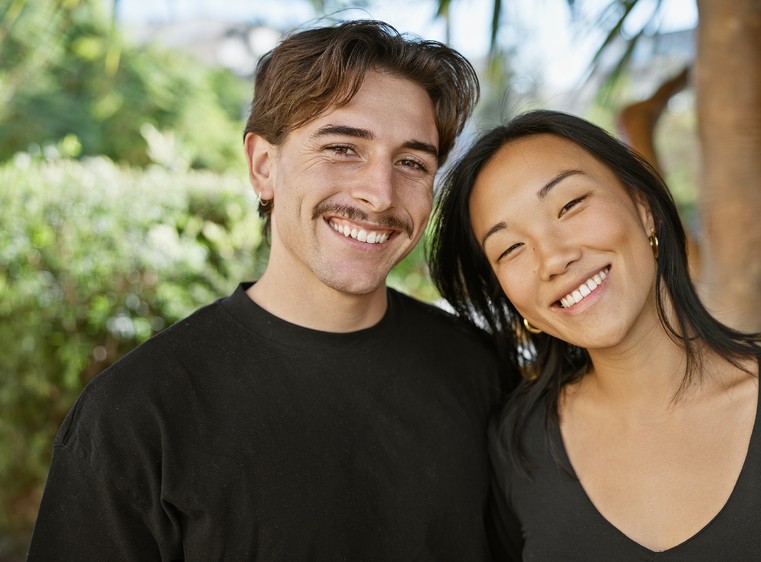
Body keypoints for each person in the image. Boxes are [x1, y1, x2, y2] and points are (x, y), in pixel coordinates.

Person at [28, 20, 514, 560]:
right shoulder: (136, 416)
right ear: (264, 166)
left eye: (411, 162)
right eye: (342, 148)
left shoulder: (478, 370)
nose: (379, 195)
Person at [429, 109, 761, 560]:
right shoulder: (519, 446)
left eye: (570, 204)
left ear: (643, 208)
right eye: (510, 248)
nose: (553, 258)